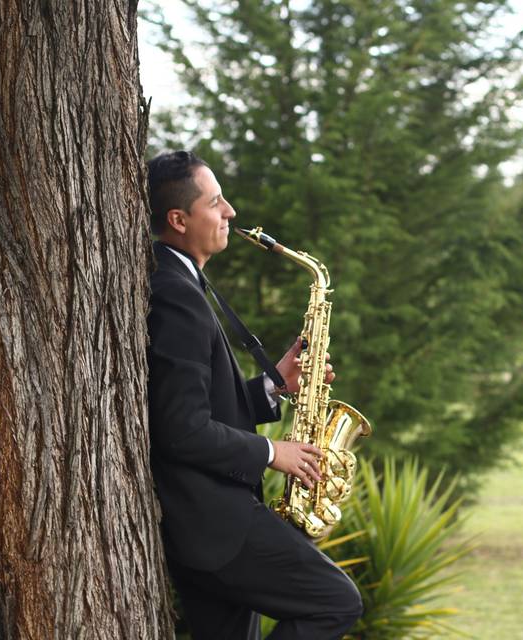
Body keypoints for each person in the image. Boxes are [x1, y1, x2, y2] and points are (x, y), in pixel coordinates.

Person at [145, 150, 362, 640]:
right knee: (334, 602)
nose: (231, 213)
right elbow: (180, 428)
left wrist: (273, 387)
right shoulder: (175, 292)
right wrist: (272, 452)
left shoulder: (181, 280)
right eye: (216, 202)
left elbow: (201, 408)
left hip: (204, 526)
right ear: (179, 220)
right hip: (212, 526)